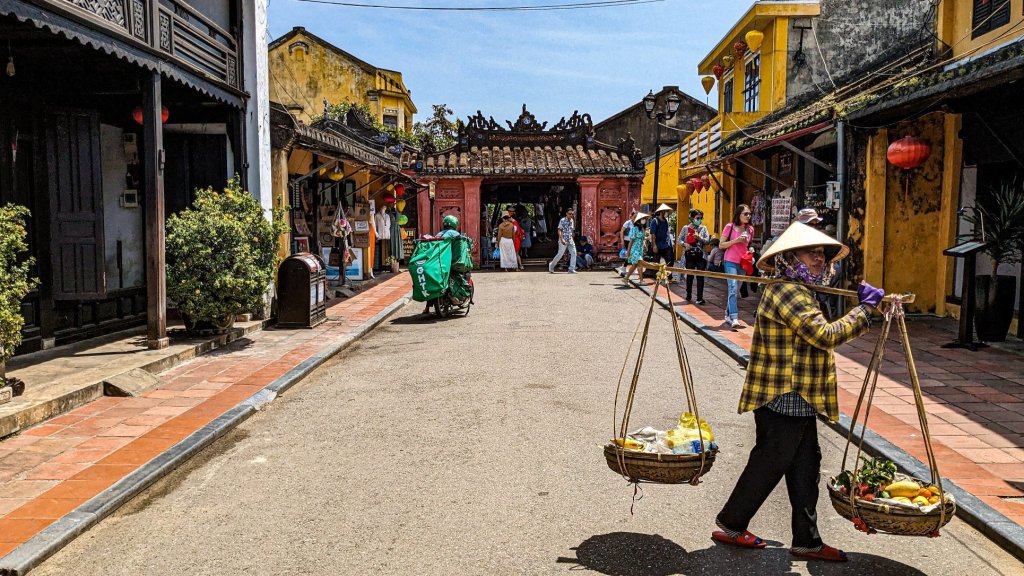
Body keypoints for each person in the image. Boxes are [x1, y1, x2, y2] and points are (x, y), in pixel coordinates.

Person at [713, 222, 884, 563]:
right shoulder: (789, 291)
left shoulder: (801, 290)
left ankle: (807, 540)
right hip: (784, 394)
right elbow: (824, 335)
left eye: (822, 254)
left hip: (800, 395)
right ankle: (732, 523)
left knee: (806, 465)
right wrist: (864, 311)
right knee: (770, 462)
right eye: (812, 252)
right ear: (791, 258)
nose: (820, 259)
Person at [720, 204, 754, 329]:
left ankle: (727, 314)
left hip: (743, 262)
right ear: (738, 215)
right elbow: (721, 245)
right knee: (733, 287)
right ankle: (734, 317)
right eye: (745, 214)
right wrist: (736, 240)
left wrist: (751, 249)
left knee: (736, 289)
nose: (748, 216)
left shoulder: (750, 229)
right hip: (730, 260)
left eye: (749, 214)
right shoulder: (730, 227)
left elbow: (748, 244)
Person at [422, 215, 463, 313]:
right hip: (449, 261)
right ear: (455, 224)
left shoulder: (438, 234)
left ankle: (427, 307)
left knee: (433, 282)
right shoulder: (456, 234)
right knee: (457, 275)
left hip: (437, 262)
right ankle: (454, 296)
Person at [678, 209, 710, 304]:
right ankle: (688, 295)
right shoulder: (686, 228)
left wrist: (699, 238)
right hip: (689, 255)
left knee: (700, 277)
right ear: (692, 218)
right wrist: (684, 244)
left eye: (701, 218)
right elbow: (679, 240)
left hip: (701, 255)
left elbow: (707, 241)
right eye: (697, 218)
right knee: (690, 276)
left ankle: (699, 298)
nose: (699, 220)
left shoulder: (703, 228)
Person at [623, 212, 649, 285]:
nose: (644, 220)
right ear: (639, 220)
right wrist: (628, 252)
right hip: (634, 249)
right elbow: (631, 241)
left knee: (638, 264)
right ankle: (639, 280)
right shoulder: (634, 229)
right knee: (636, 264)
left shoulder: (643, 229)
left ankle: (627, 278)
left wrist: (645, 245)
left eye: (644, 219)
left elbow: (642, 239)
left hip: (640, 249)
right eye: (643, 219)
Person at [549, 207, 578, 274]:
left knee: (574, 253)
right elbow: (559, 230)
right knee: (560, 254)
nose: (571, 215)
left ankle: (571, 269)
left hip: (570, 239)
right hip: (563, 239)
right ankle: (551, 265)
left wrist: (572, 239)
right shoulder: (562, 220)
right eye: (570, 214)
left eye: (572, 214)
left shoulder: (572, 221)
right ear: (566, 214)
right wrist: (561, 239)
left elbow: (571, 231)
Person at [649, 204, 675, 276]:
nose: (666, 213)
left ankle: (669, 276)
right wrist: (654, 245)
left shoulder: (666, 221)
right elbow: (653, 234)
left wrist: (671, 242)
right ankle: (655, 278)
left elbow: (667, 233)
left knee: (670, 261)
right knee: (656, 264)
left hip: (666, 245)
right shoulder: (655, 221)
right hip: (658, 245)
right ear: (661, 212)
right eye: (665, 211)